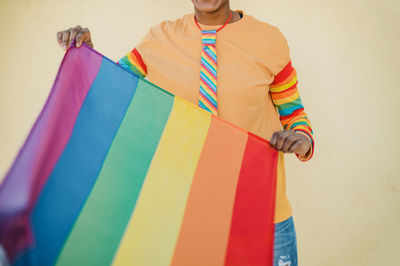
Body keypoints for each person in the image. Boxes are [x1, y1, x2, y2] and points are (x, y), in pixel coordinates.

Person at [57, 1, 314, 265]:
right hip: (186, 220)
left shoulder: (270, 41)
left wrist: (303, 140)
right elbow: (110, 92)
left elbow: (294, 114)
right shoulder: (158, 39)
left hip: (263, 213)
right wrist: (86, 56)